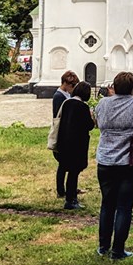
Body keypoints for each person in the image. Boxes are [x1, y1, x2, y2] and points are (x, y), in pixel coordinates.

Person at [94, 71, 133, 258]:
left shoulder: (102, 103)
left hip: (105, 160)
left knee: (107, 204)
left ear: (114, 86)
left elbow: (97, 123)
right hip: (131, 162)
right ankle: (118, 249)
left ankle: (103, 246)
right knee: (124, 206)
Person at [55, 80, 94, 210]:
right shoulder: (82, 107)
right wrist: (91, 116)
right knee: (73, 173)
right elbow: (89, 125)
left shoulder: (67, 103)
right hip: (77, 145)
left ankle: (67, 195)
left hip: (64, 143)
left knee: (67, 169)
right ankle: (71, 200)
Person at [53, 70, 79, 199]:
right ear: (65, 83)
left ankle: (69, 187)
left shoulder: (66, 95)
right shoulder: (59, 96)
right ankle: (60, 190)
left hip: (67, 132)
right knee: (63, 164)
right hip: (63, 132)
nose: (72, 89)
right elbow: (58, 116)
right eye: (71, 86)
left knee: (66, 163)